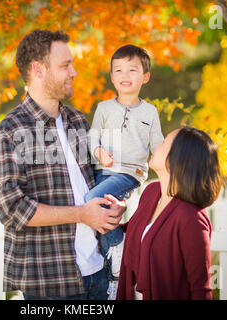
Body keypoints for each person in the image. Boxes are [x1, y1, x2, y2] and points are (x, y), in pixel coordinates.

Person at [0, 29, 126, 300]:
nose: (73, 72)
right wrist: (81, 214)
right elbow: (11, 209)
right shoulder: (10, 131)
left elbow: (98, 180)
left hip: (99, 274)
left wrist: (113, 203)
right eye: (65, 65)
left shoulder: (77, 120)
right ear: (38, 70)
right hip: (51, 283)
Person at [85, 44, 164, 299]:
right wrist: (99, 153)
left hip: (128, 175)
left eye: (132, 69)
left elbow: (158, 147)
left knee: (90, 202)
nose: (125, 75)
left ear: (145, 77)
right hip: (102, 171)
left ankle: (119, 246)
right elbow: (91, 139)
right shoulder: (104, 108)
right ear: (112, 77)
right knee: (100, 214)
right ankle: (114, 279)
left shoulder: (150, 112)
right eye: (118, 70)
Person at [116, 126, 223, 300]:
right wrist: (109, 215)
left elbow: (200, 290)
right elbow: (136, 234)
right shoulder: (151, 192)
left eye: (164, 142)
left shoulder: (191, 219)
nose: (157, 144)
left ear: (179, 158)